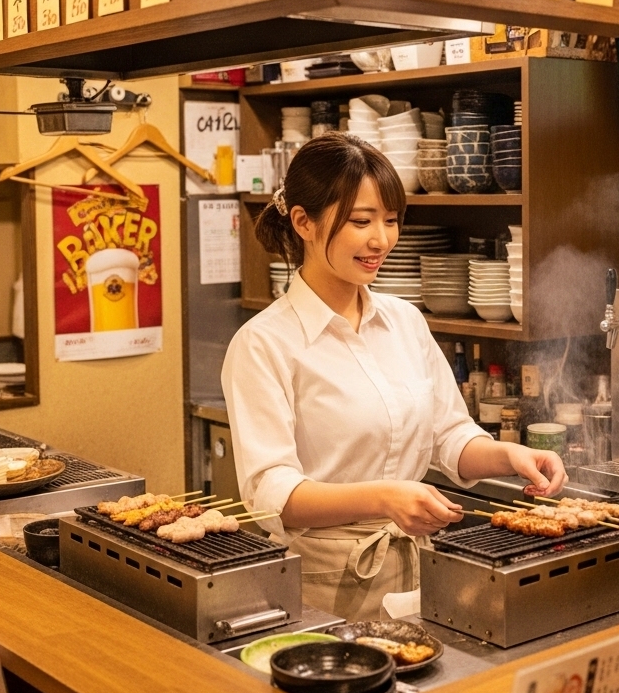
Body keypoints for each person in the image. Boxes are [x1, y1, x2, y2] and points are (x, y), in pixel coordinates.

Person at [221, 133, 567, 618]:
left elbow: (448, 436)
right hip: (323, 582)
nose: (381, 239)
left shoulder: (404, 320)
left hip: (416, 567)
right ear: (303, 221)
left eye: (390, 220)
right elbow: (272, 493)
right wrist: (385, 498)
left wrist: (510, 455)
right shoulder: (264, 343)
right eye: (361, 222)